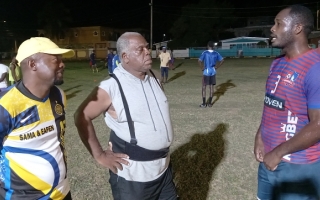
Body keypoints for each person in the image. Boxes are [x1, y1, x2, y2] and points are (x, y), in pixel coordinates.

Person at [74, 32, 177, 200]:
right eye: (140, 49)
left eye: (147, 46)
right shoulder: (111, 86)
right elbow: (81, 116)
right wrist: (99, 155)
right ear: (125, 56)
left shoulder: (155, 77)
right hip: (133, 177)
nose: (147, 51)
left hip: (163, 170)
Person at [254, 5, 320, 200]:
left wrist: (278, 152)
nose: (272, 29)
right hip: (269, 162)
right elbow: (272, 104)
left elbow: (318, 124)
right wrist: (260, 136)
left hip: (298, 167)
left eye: (278, 23)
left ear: (297, 28)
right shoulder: (277, 62)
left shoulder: (315, 68)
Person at [0, 37, 74, 199]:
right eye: (56, 60)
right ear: (32, 64)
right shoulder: (6, 105)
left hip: (62, 192)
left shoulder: (59, 96)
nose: (62, 64)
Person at [198, 41, 224, 108]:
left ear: (207, 45)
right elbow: (222, 60)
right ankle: (209, 103)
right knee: (211, 88)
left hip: (206, 71)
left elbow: (199, 60)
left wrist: (201, 67)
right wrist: (217, 67)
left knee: (204, 87)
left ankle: (204, 104)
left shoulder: (205, 53)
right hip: (213, 71)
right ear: (213, 46)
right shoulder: (216, 53)